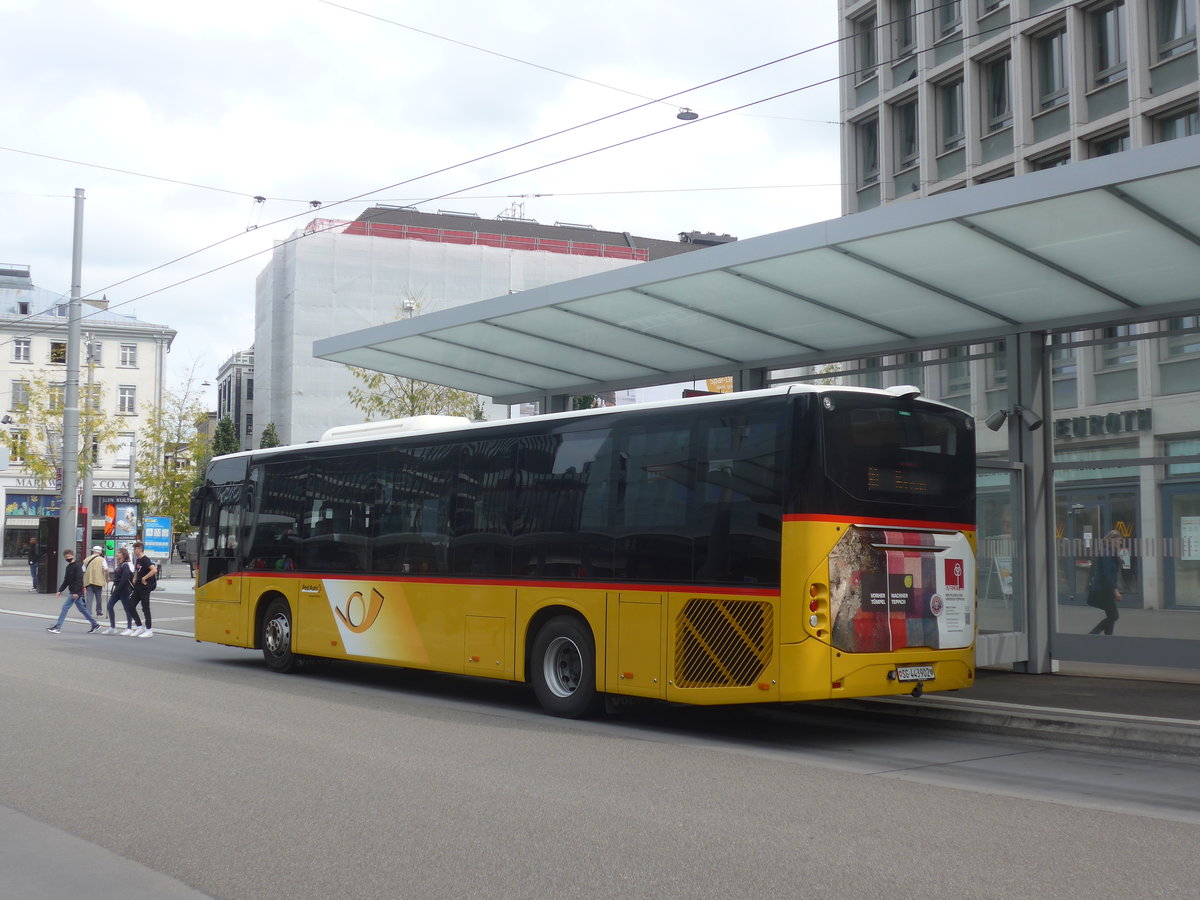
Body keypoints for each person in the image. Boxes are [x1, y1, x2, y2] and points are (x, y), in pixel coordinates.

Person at [46, 549, 102, 634]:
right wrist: (60, 590)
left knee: (65, 607)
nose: (68, 558)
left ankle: (58, 626)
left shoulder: (77, 566)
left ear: (73, 555)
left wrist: (76, 592)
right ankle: (95, 624)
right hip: (74, 591)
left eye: (69, 556)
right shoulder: (68, 567)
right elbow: (66, 580)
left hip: (75, 592)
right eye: (66, 557)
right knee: (82, 609)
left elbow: (79, 580)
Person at [1087, 530, 1124, 636]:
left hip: (1106, 589)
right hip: (1103, 590)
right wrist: (1115, 590)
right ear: (1111, 540)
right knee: (1114, 616)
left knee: (1111, 616)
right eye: (1119, 541)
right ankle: (1093, 634)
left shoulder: (1109, 552)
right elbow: (1107, 574)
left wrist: (1119, 559)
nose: (1120, 543)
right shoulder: (1105, 553)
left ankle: (1108, 638)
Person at [104, 547, 139, 635]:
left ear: (123, 555)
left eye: (119, 553)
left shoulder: (125, 565)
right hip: (118, 589)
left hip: (124, 590)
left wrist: (117, 589)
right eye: (117, 552)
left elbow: (125, 578)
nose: (117, 554)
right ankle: (112, 627)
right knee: (109, 606)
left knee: (127, 609)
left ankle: (129, 628)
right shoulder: (119, 565)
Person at [130, 541, 158, 638]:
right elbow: (137, 570)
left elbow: (154, 570)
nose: (134, 551)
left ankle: (149, 630)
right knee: (130, 605)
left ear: (140, 549)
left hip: (145, 587)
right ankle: (139, 627)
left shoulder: (145, 559)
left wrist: (144, 578)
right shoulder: (138, 560)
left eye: (135, 549)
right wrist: (135, 577)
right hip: (137, 587)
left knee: (145, 608)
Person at [82, 545, 108, 618]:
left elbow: (83, 570)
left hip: (88, 580)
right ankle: (99, 612)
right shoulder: (102, 559)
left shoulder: (86, 559)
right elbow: (106, 569)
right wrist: (107, 578)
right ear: (100, 552)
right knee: (98, 597)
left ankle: (88, 613)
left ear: (93, 551)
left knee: (89, 597)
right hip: (98, 580)